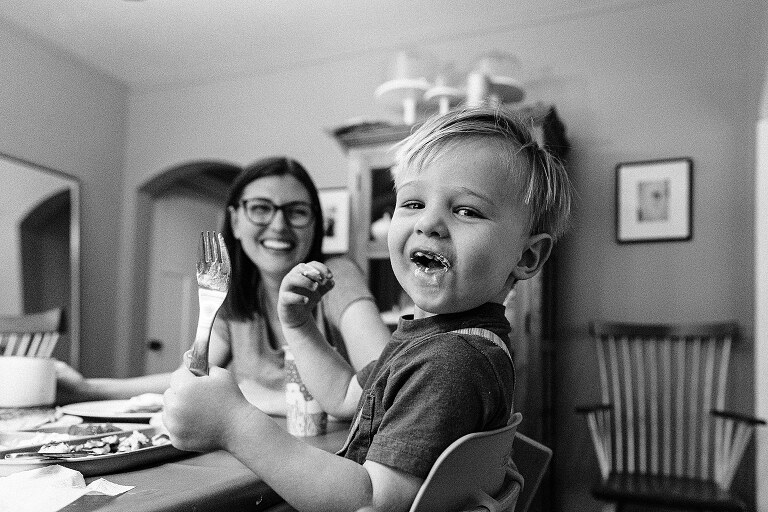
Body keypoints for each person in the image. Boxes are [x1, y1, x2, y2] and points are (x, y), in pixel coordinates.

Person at [162, 106, 573, 511]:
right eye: (413, 204)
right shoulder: (429, 342)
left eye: (467, 210)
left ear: (527, 257)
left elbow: (372, 499)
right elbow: (345, 396)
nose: (428, 223)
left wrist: (236, 426)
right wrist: (300, 326)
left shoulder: (449, 362)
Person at [56, 157, 391, 414]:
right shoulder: (234, 295)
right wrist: (88, 388)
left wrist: (254, 398)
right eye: (260, 209)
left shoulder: (335, 276)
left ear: (314, 223)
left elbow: (386, 382)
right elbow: (190, 376)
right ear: (235, 220)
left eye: (297, 212)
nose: (278, 225)